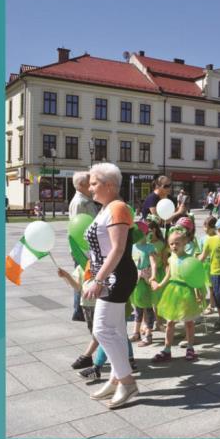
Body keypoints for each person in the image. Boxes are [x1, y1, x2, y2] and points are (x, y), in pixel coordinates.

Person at [82, 162, 139, 409]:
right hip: (110, 277)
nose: (90, 188)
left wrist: (98, 279)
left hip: (117, 278)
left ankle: (126, 382)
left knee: (103, 329)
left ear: (109, 185)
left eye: (94, 183)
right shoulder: (106, 208)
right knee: (113, 330)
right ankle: (117, 379)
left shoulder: (117, 208)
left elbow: (118, 249)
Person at [150, 229, 203, 362]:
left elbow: (194, 277)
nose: (174, 246)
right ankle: (167, 349)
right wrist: (160, 285)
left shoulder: (190, 259)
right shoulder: (171, 258)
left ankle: (190, 348)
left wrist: (198, 292)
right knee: (170, 322)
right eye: (172, 243)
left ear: (184, 243)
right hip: (173, 291)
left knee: (189, 322)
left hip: (186, 292)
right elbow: (168, 275)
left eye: (177, 243)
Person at [67, 171, 99, 322]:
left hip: (86, 246)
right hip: (82, 248)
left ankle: (81, 309)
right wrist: (82, 250)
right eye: (90, 183)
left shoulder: (86, 200)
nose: (93, 186)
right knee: (83, 278)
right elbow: (78, 227)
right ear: (80, 186)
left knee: (85, 277)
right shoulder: (80, 202)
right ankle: (79, 311)